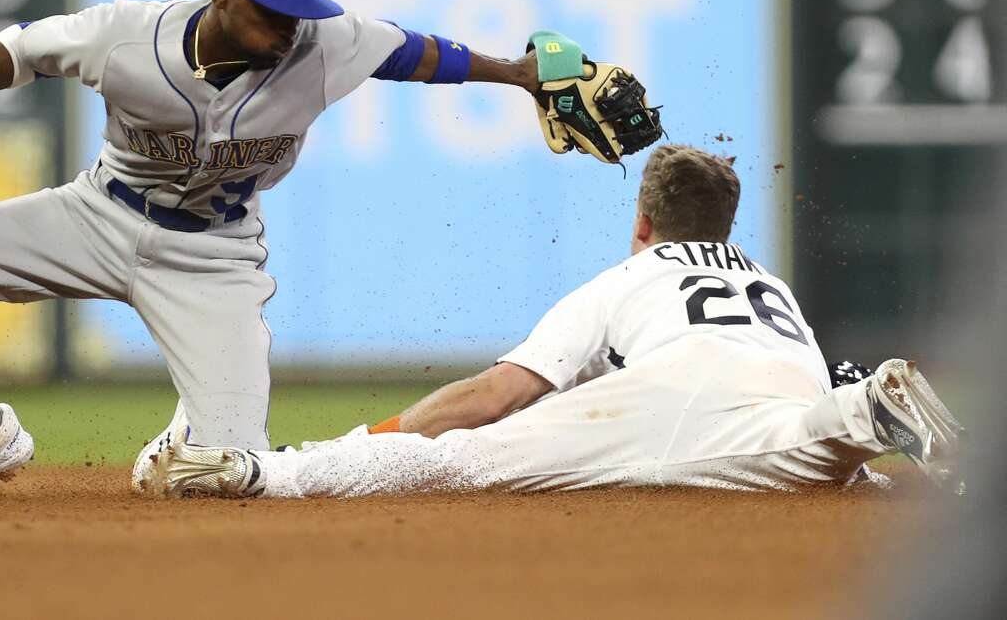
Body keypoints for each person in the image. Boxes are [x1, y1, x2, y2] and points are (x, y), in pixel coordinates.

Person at [0, 0, 548, 501]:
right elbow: (24, 49)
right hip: (98, 215)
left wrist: (519, 76)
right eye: (270, 7)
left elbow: (416, 53)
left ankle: (194, 427)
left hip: (212, 258)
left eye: (296, 7)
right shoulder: (128, 37)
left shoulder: (325, 40)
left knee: (223, 472)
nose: (289, 24)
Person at [142, 145, 968, 499]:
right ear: (727, 227)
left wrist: (379, 438)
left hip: (679, 402)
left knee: (465, 461)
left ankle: (260, 471)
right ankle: (855, 418)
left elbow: (496, 394)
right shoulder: (774, 284)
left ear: (644, 220)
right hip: (787, 400)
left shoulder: (629, 275)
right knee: (788, 453)